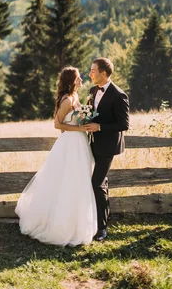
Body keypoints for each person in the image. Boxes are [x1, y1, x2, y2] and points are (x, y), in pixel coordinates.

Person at [15, 67, 98, 246]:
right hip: (70, 143)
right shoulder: (67, 100)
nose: (81, 80)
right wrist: (79, 128)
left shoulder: (75, 97)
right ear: (71, 81)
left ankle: (76, 223)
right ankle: (59, 226)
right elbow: (57, 124)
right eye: (78, 78)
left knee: (79, 180)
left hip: (79, 143)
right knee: (66, 179)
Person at [84, 57, 130, 241]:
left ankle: (102, 228)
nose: (90, 74)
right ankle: (97, 219)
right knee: (101, 183)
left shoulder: (119, 95)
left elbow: (123, 124)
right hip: (91, 144)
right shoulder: (92, 91)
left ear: (103, 73)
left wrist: (100, 127)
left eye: (93, 71)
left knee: (96, 183)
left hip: (107, 146)